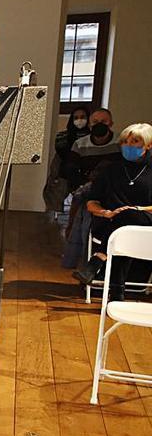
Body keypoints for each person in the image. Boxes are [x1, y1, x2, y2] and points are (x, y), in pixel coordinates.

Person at [72, 123, 152, 299]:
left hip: (146, 223)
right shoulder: (110, 170)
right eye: (125, 141)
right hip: (109, 221)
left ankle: (98, 261)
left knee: (126, 217)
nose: (128, 146)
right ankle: (116, 293)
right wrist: (105, 213)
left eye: (135, 142)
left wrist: (137, 209)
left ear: (148, 145)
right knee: (122, 228)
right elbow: (92, 202)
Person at [45, 105, 92, 212]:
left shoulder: (91, 136)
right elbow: (62, 152)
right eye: (76, 118)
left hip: (85, 171)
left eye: (83, 117)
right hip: (66, 170)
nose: (79, 120)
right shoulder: (63, 136)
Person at [66, 108, 122, 191]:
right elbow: (72, 171)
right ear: (89, 125)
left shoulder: (121, 142)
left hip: (115, 188)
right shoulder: (80, 144)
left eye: (104, 121)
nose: (99, 124)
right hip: (88, 188)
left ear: (111, 124)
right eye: (95, 122)